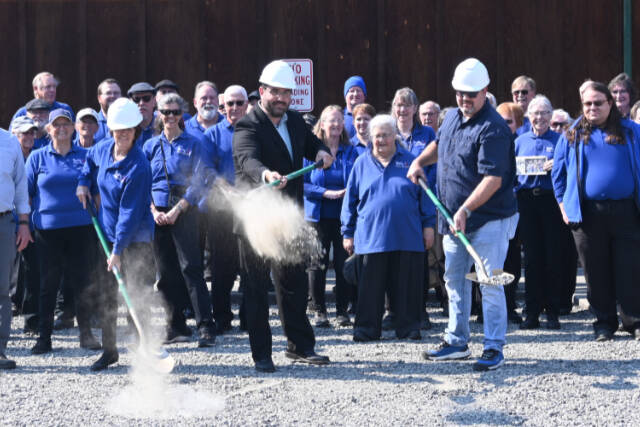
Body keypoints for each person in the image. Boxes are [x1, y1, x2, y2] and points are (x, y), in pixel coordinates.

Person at [408, 58, 518, 371]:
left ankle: (494, 346)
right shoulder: (453, 117)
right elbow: (440, 145)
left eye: (470, 94)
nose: (464, 100)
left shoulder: (494, 128)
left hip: (487, 220)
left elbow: (493, 179)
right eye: (459, 94)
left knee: (489, 281)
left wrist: (467, 208)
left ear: (485, 91)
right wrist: (419, 162)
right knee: (454, 280)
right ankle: (457, 340)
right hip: (452, 219)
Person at [233, 59, 333, 372]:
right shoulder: (247, 125)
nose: (281, 98)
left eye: (286, 93)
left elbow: (312, 143)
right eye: (275, 92)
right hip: (257, 220)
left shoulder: (293, 120)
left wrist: (320, 152)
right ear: (262, 92)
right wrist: (266, 176)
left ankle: (299, 346)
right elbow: (247, 159)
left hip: (289, 218)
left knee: (294, 285)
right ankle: (261, 354)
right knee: (256, 287)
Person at [552, 80, 640, 341]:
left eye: (598, 103)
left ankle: (633, 321)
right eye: (587, 104)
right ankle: (604, 323)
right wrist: (562, 206)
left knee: (630, 268)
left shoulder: (631, 131)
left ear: (610, 104)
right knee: (595, 271)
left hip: (626, 211)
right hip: (587, 214)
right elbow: (558, 175)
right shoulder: (572, 134)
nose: (592, 108)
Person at [77, 97, 155, 370]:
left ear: (136, 130)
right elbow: (88, 165)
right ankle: (110, 351)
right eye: (116, 129)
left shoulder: (139, 166)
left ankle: (142, 350)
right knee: (107, 293)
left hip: (134, 239)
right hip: (106, 234)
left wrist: (118, 251)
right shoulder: (102, 150)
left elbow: (130, 214)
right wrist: (83, 184)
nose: (121, 134)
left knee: (135, 292)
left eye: (127, 129)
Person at [342, 114, 435, 341]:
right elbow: (350, 201)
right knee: (369, 289)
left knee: (406, 287)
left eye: (385, 135)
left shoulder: (412, 161)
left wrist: (429, 226)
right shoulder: (361, 163)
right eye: (376, 136)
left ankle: (409, 327)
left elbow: (425, 196)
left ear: (395, 136)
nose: (380, 140)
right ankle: (366, 329)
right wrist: (348, 232)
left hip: (407, 236)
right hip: (370, 237)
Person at [143, 93, 217, 347]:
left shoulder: (194, 143)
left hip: (183, 208)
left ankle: (206, 325)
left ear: (182, 115)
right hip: (158, 210)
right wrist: (153, 211)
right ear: (159, 115)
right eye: (166, 112)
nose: (170, 117)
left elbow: (200, 180)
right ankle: (174, 325)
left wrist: (178, 209)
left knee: (191, 269)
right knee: (165, 273)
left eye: (175, 112)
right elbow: (143, 182)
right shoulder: (151, 146)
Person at [25, 109, 100, 355]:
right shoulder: (37, 157)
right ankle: (44, 338)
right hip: (48, 231)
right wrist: (23, 223)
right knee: (48, 284)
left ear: (73, 128)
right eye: (56, 125)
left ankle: (86, 334)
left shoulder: (87, 156)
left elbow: (97, 188)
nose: (61, 128)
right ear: (49, 129)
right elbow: (26, 192)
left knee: (82, 282)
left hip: (81, 228)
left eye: (66, 124)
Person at [515, 95, 572, 329]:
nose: (539, 117)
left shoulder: (560, 141)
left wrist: (556, 165)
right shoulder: (519, 141)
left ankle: (553, 310)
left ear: (551, 116)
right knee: (532, 258)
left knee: (553, 256)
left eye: (544, 113)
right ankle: (532, 311)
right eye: (535, 113)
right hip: (526, 201)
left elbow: (570, 170)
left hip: (551, 201)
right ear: (528, 116)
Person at [304, 105, 358, 328]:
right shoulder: (311, 151)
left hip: (343, 216)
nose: (336, 125)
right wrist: (326, 193)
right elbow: (303, 183)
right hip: (317, 216)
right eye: (331, 121)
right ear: (322, 124)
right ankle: (319, 310)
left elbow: (357, 178)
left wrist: (348, 192)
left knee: (342, 262)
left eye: (339, 121)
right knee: (317, 263)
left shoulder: (351, 151)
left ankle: (342, 311)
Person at [201, 85, 247, 333]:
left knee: (251, 265)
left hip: (252, 207)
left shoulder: (257, 132)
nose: (234, 108)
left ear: (247, 105)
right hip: (222, 211)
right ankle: (222, 317)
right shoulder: (212, 135)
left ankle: (250, 318)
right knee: (222, 267)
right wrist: (228, 191)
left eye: (239, 103)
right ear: (222, 106)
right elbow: (207, 169)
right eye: (229, 104)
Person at [391, 87, 437, 329]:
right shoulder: (388, 132)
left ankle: (420, 310)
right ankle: (394, 311)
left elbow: (433, 166)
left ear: (415, 109)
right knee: (393, 258)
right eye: (399, 105)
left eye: (407, 105)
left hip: (420, 200)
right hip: (396, 203)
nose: (402, 110)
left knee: (419, 259)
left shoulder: (427, 133)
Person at [0, 127, 32, 370]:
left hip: (4, 221)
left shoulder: (10, 141)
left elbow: (21, 187)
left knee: (2, 289)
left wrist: (23, 223)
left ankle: (0, 350)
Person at [10, 117, 40, 334]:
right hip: (8, 219)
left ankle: (31, 319)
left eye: (31, 133)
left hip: (30, 222)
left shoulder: (37, 157)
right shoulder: (9, 156)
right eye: (24, 134)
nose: (29, 137)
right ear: (14, 135)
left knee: (31, 269)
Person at [127, 82, 157, 146]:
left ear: (154, 101)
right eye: (136, 99)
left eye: (146, 98)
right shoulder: (122, 128)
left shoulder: (164, 127)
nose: (141, 103)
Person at [95, 78, 122, 142]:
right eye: (108, 93)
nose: (112, 96)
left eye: (116, 93)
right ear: (99, 98)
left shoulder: (130, 123)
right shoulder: (91, 124)